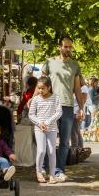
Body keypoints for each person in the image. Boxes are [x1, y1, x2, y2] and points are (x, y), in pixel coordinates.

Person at [41, 36, 85, 182]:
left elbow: (77, 88)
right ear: (59, 47)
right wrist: (34, 99)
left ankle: (59, 170)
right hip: (50, 104)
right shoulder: (49, 62)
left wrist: (81, 108)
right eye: (65, 46)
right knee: (49, 140)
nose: (68, 49)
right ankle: (47, 169)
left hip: (67, 106)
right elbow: (41, 83)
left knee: (65, 141)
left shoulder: (74, 65)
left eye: (70, 47)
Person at [29, 76, 63, 184]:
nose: (40, 91)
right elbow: (31, 114)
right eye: (38, 88)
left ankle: (52, 175)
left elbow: (59, 112)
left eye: (42, 88)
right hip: (39, 129)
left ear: (49, 87)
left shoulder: (55, 98)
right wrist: (39, 123)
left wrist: (48, 122)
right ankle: (38, 172)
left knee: (52, 151)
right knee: (41, 150)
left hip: (52, 128)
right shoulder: (36, 99)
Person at [72, 75, 88, 148]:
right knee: (75, 131)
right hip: (74, 111)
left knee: (76, 131)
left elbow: (83, 101)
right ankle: (77, 148)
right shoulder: (77, 88)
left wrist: (79, 111)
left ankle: (78, 148)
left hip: (77, 112)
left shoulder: (83, 88)